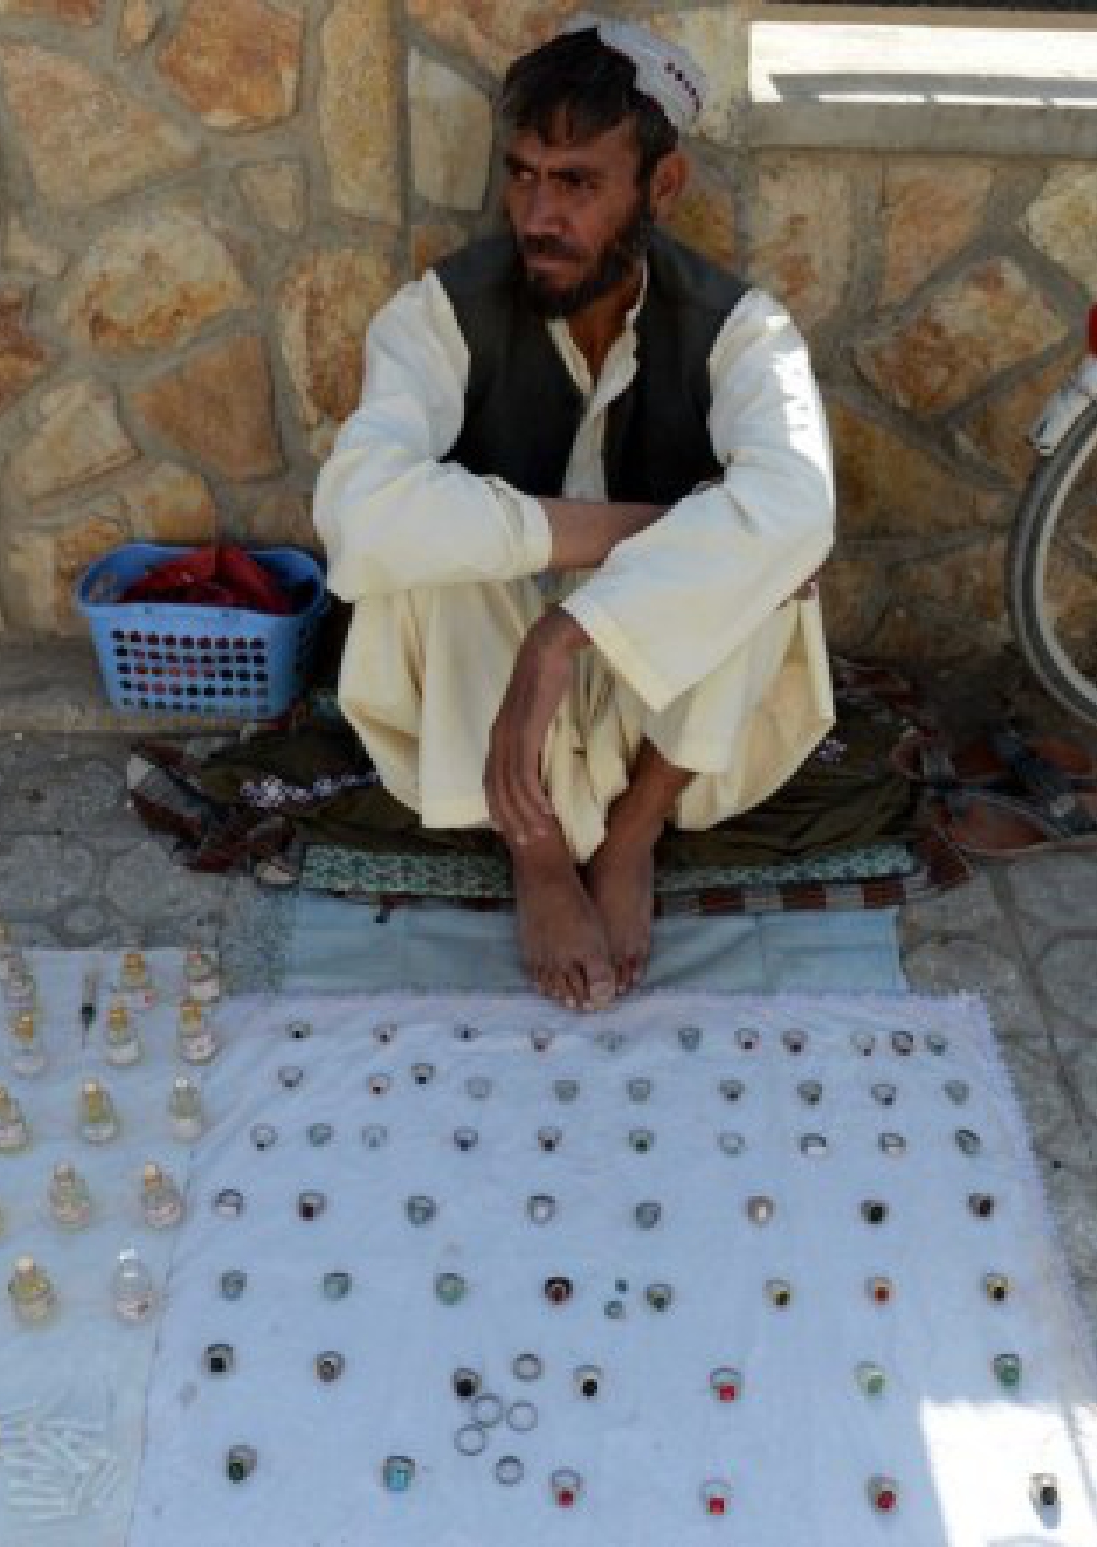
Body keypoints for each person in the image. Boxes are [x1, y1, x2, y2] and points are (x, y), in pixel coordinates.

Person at [311, 14, 837, 1013]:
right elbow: (357, 511)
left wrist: (570, 634)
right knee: (426, 542)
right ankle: (537, 851)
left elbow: (797, 508)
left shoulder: (743, 332)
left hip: (659, 712)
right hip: (483, 694)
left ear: (662, 186)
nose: (538, 214)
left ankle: (633, 832)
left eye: (578, 184)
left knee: (774, 554)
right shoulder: (440, 312)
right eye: (523, 175)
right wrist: (624, 536)